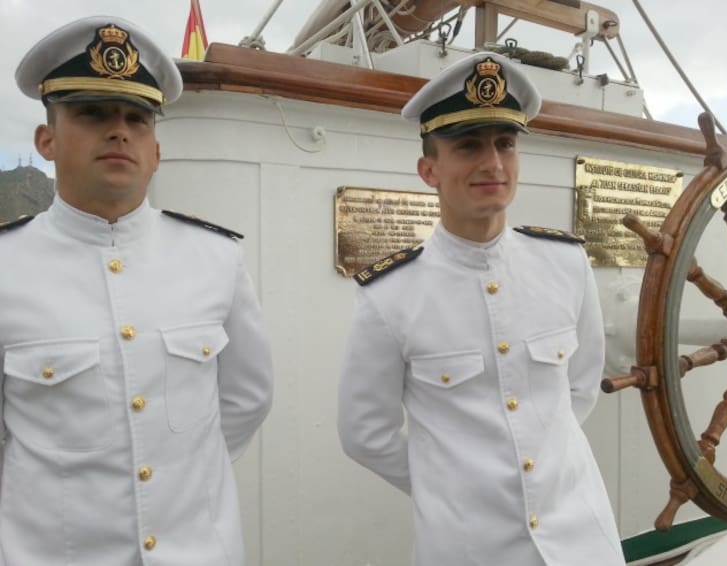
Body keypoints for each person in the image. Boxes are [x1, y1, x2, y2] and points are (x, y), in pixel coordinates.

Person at [0, 16, 273, 566]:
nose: (119, 131)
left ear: (155, 149)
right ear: (46, 141)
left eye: (136, 119)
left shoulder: (215, 259)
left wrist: (184, 474)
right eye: (93, 113)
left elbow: (247, 398)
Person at [337, 51, 625, 566]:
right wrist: (450, 486)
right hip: (469, 547)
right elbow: (365, 433)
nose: (492, 163)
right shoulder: (390, 294)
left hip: (579, 537)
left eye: (505, 144)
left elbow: (580, 385)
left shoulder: (565, 263)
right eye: (468, 145)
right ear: (429, 170)